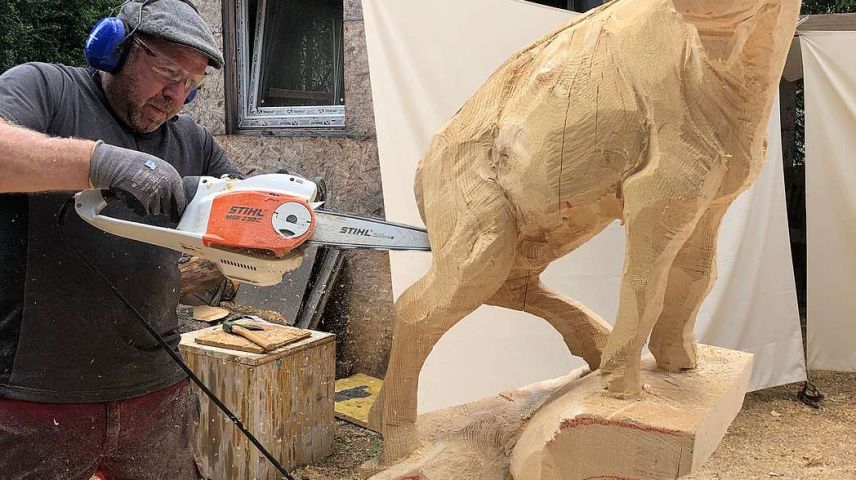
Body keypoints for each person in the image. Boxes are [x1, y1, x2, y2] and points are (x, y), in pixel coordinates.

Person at [0, 0, 241, 478]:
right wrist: (101, 163)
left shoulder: (189, 139)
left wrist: (283, 203)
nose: (176, 96)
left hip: (155, 388)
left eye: (190, 85)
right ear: (115, 48)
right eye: (167, 72)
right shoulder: (45, 88)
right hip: (32, 395)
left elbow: (242, 201)